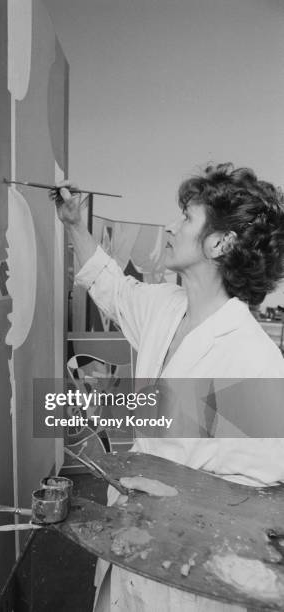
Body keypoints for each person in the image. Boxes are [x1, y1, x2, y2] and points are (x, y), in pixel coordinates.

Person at [52, 163, 284, 611]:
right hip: (130, 536)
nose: (169, 226)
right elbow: (110, 286)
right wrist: (74, 225)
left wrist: (163, 499)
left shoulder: (254, 360)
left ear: (219, 242)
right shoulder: (163, 307)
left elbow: (260, 502)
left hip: (191, 570)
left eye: (186, 218)